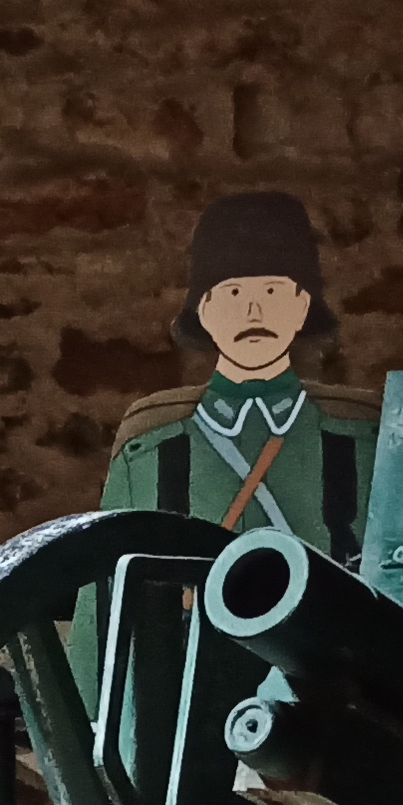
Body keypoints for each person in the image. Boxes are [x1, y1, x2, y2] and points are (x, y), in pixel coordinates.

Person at [97, 190, 376, 555]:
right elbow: (108, 573)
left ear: (302, 305)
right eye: (232, 293)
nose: (253, 311)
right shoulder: (150, 445)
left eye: (272, 290)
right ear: (204, 310)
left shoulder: (359, 440)